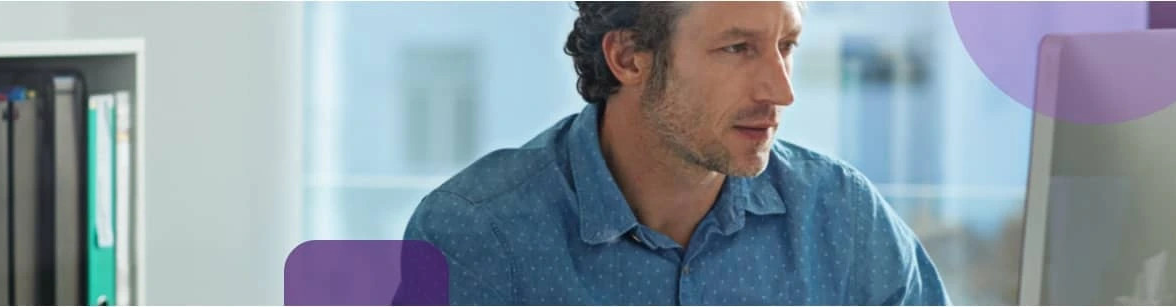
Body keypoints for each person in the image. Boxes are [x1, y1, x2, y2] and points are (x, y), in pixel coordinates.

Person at [401, 2, 950, 305]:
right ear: (630, 57)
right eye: (737, 49)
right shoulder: (481, 233)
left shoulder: (840, 214)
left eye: (786, 47)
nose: (781, 92)